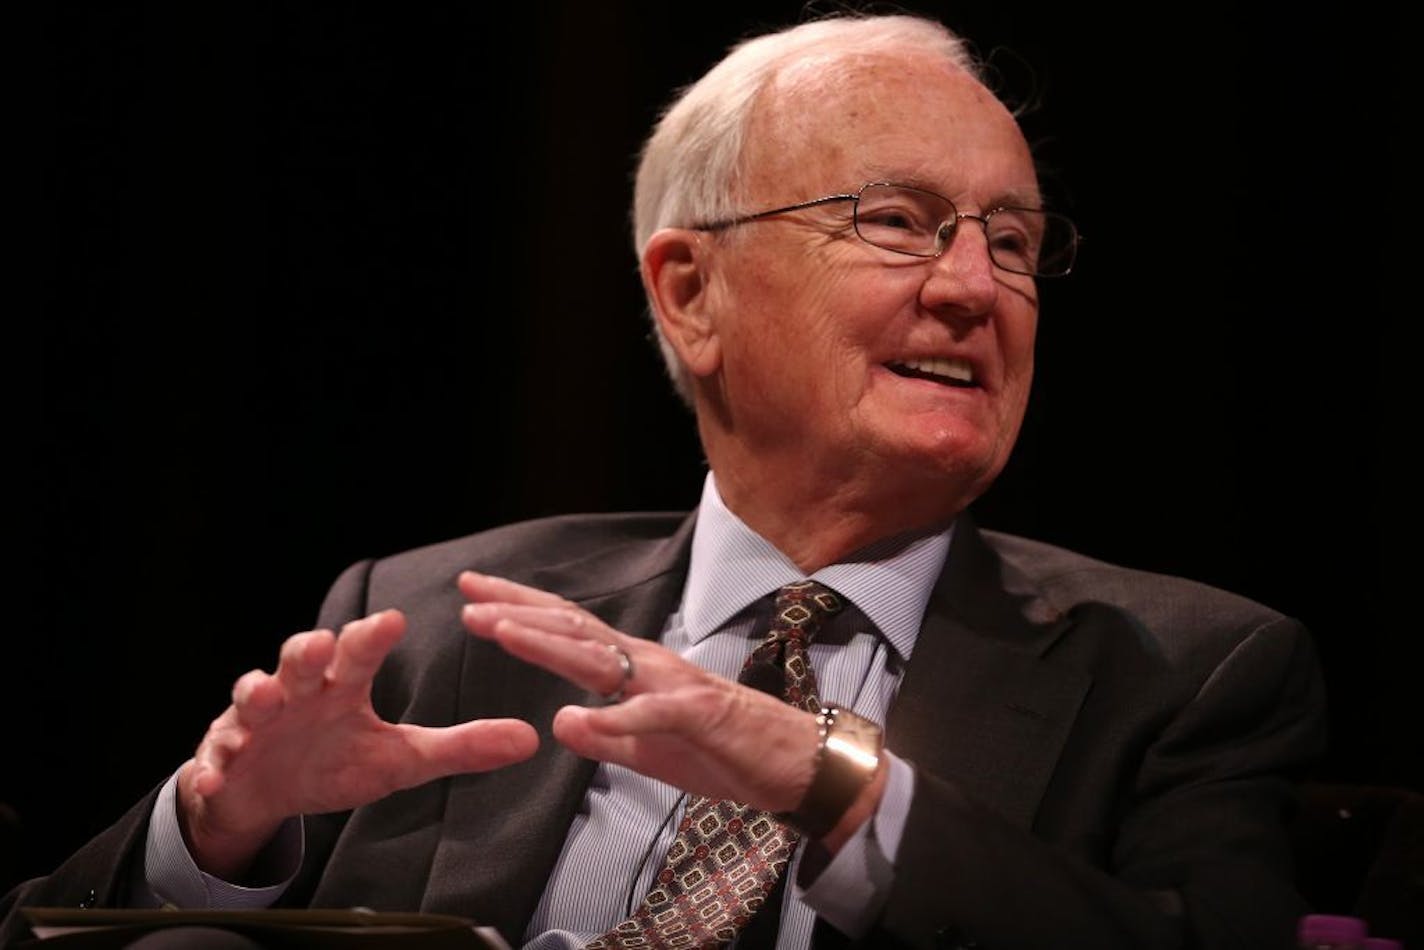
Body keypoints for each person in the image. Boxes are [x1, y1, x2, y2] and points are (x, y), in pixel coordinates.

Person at [3, 12, 1326, 949]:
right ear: (689, 292)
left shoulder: (1186, 671)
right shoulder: (436, 614)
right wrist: (218, 828)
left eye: (1015, 239)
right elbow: (47, 921)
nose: (976, 286)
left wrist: (828, 780)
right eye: (896, 220)